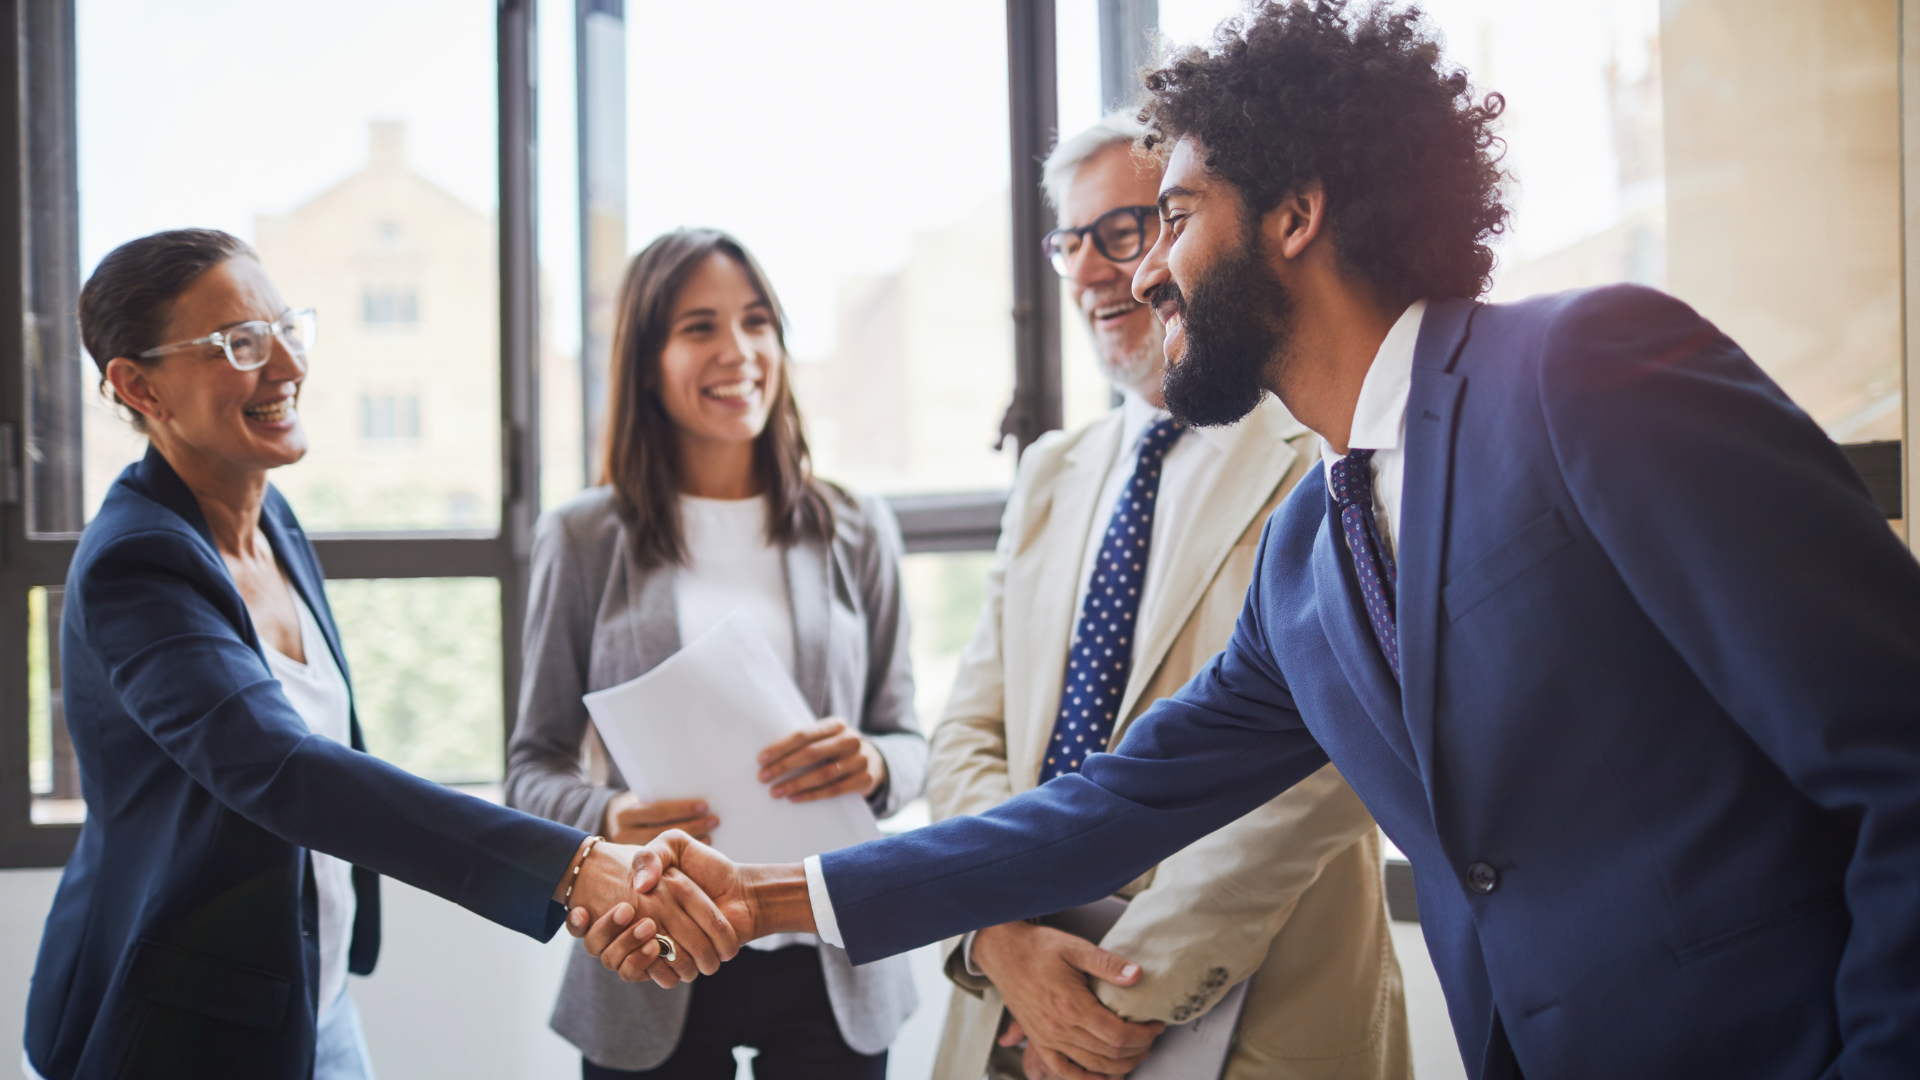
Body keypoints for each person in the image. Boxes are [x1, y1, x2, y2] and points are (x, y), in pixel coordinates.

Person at [584, 4, 1920, 1078]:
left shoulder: (1586, 370)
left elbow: (1898, 752)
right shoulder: (1309, 552)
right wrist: (764, 894)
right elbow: (1105, 808)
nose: (1140, 272)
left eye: (1170, 216)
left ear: (1294, 214)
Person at [23, 229, 736, 1080]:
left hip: (305, 996)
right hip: (177, 1023)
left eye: (286, 328)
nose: (288, 365)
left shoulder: (270, 520)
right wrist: (573, 865)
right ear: (139, 387)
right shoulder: (136, 564)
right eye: (240, 343)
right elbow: (283, 769)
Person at [927, 112, 1408, 1080]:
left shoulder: (1319, 447)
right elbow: (969, 733)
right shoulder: (1051, 472)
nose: (1093, 269)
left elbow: (1330, 766)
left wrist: (1112, 996)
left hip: (1252, 1025)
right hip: (1014, 1014)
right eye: (1071, 242)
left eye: (1126, 228)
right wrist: (997, 934)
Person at [505, 228, 926, 1080]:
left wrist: (877, 764)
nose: (737, 350)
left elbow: (912, 741)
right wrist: (609, 817)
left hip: (827, 947)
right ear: (647, 364)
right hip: (650, 946)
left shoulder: (856, 526)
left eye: (756, 321)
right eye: (700, 327)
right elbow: (529, 770)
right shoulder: (583, 538)